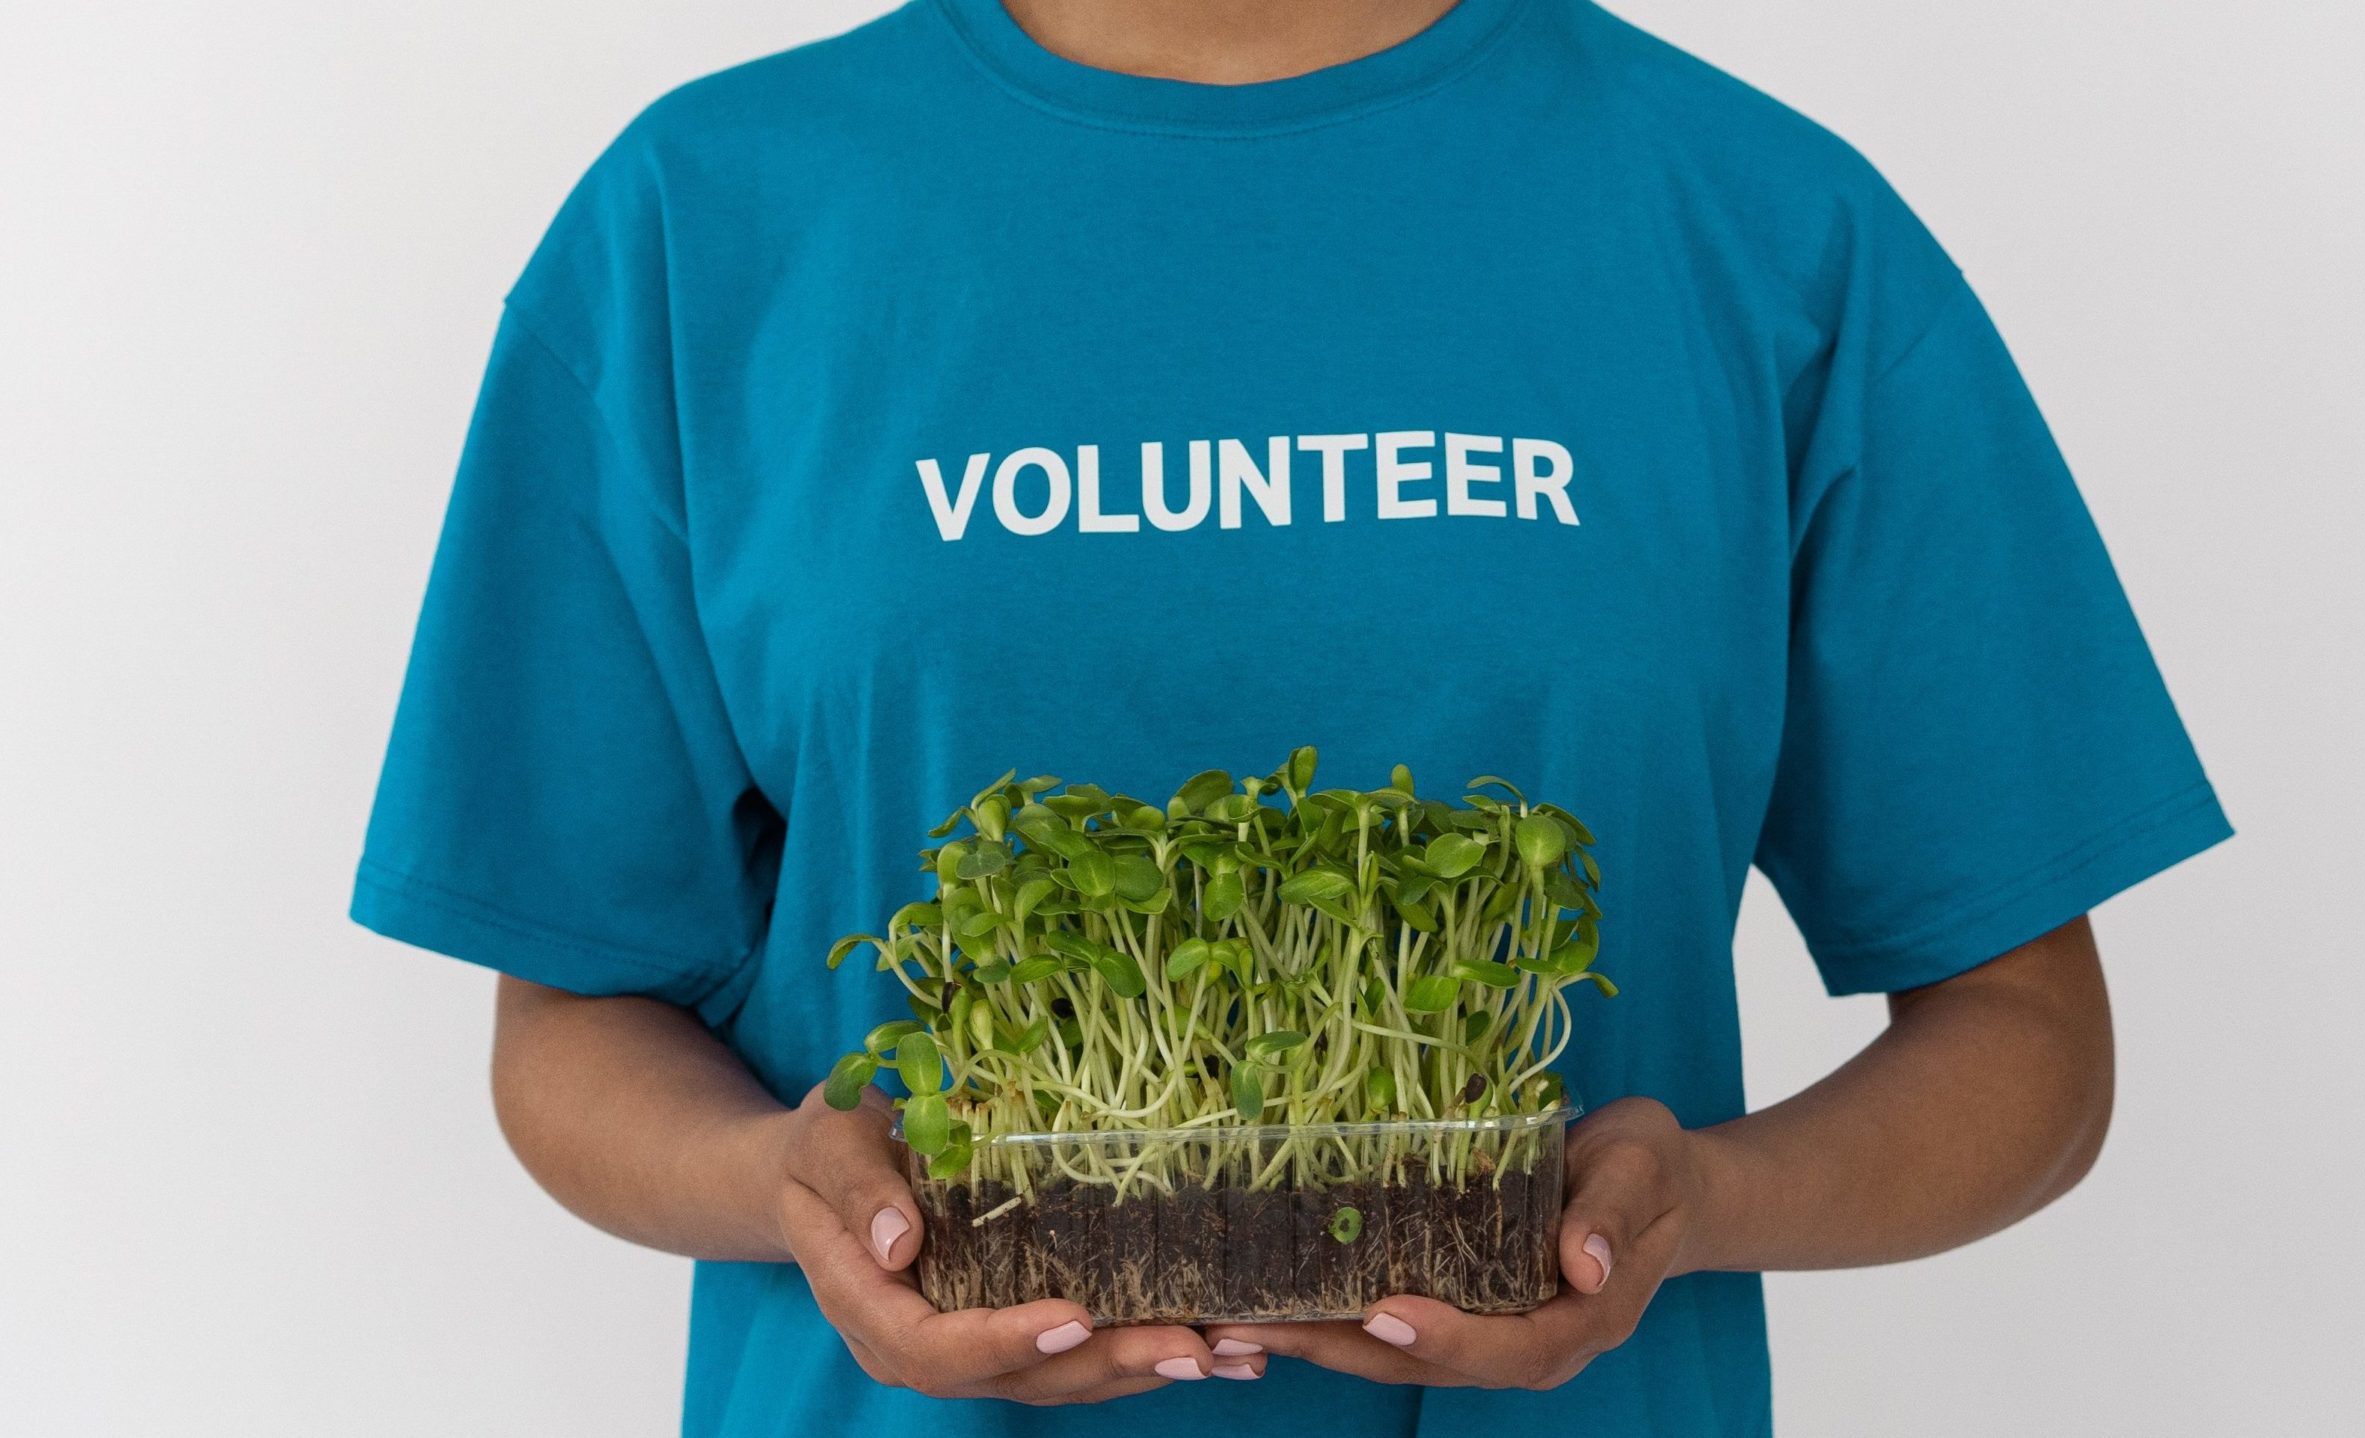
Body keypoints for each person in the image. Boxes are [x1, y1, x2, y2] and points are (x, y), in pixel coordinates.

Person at [351, 0, 2229, 1433]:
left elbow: (2024, 1040)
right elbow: (570, 1018)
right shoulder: (709, 218)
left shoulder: (1753, 218)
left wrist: (1686, 1205)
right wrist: (782, 1188)